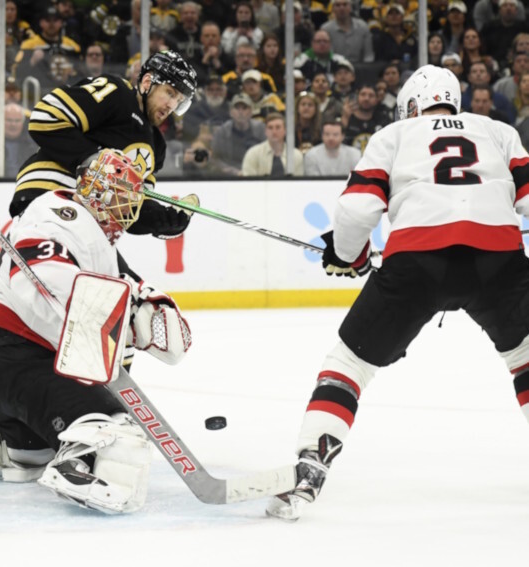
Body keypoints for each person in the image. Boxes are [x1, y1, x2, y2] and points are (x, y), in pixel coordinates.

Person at [266, 65, 529, 521]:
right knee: (525, 356)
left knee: (348, 363)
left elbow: (355, 209)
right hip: (499, 259)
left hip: (419, 262)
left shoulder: (395, 134)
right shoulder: (498, 130)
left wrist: (348, 255)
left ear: (411, 105)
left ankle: (311, 466)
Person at [0, 148, 192, 515]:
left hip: (2, 359)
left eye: (131, 199)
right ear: (95, 189)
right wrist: (124, 309)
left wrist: (141, 302)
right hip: (11, 351)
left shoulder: (96, 241)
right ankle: (80, 467)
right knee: (114, 429)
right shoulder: (60, 214)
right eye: (121, 195)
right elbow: (43, 278)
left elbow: (119, 318)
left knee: (30, 455)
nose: (128, 208)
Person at [10, 50, 198, 242]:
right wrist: (95, 162)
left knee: (118, 273)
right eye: (170, 93)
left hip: (91, 223)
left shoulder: (157, 147)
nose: (171, 105)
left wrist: (161, 219)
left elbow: (129, 211)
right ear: (147, 82)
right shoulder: (117, 93)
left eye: (179, 101)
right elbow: (45, 117)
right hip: (50, 194)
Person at [210, 92, 267, 176]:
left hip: (255, 176)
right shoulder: (222, 132)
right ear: (231, 112)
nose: (240, 112)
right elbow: (215, 158)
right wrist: (228, 170)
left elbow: (268, 154)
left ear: (251, 111)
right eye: (237, 108)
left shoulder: (261, 129)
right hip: (229, 177)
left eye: (244, 108)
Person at [241, 112, 304, 177]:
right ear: (265, 131)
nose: (274, 132)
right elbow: (248, 183)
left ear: (285, 131)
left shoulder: (296, 155)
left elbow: (298, 184)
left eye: (278, 127)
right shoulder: (253, 153)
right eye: (270, 128)